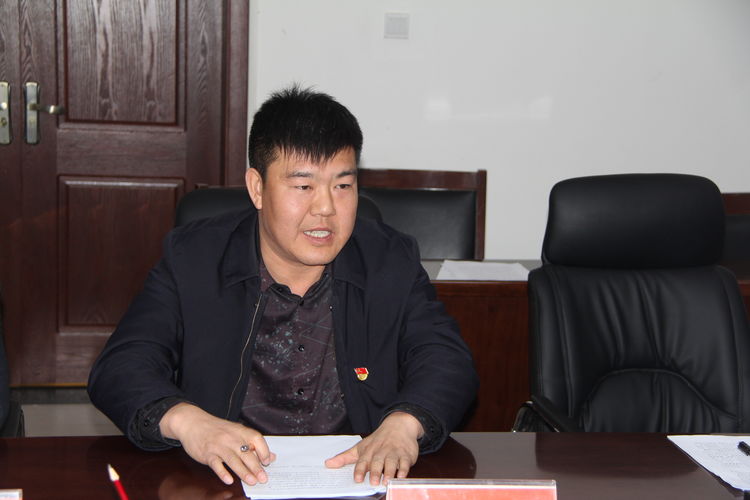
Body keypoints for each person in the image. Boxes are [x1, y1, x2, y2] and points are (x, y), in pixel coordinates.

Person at [88, 85, 478, 487]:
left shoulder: (389, 259)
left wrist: (404, 424)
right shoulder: (195, 259)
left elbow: (446, 359)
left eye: (343, 186)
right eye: (303, 186)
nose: (325, 208)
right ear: (257, 188)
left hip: (355, 479)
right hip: (227, 481)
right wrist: (189, 423)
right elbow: (121, 366)